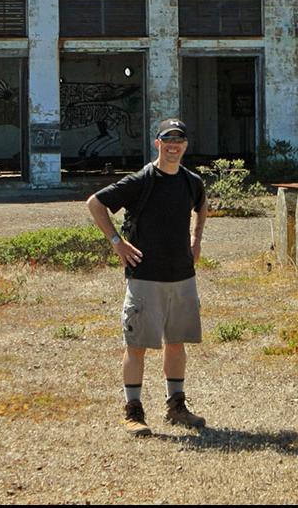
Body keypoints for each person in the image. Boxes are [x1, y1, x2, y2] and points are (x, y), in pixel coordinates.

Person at [86, 118, 209, 437]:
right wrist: (117, 243)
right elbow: (95, 204)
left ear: (185, 145)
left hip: (182, 276)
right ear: (157, 143)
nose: (173, 145)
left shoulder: (191, 181)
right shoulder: (142, 179)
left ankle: (176, 407)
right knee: (137, 344)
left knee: (177, 343)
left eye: (179, 140)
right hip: (145, 276)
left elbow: (202, 204)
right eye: (167, 140)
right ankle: (133, 411)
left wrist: (196, 239)